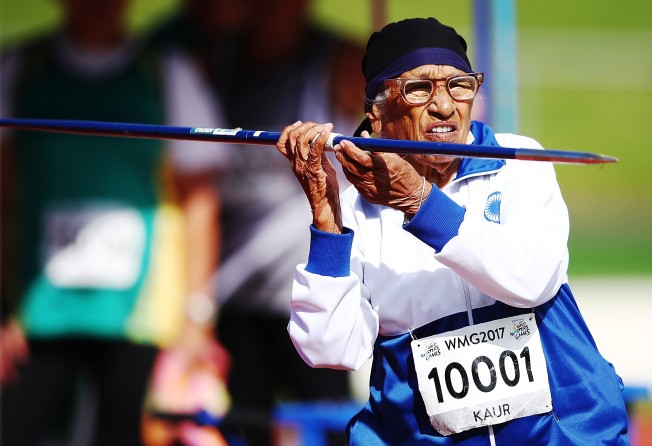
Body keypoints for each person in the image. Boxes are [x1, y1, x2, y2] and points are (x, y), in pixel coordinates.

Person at [274, 17, 630, 445]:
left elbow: (532, 280)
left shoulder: (519, 161)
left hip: (563, 433)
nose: (445, 106)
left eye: (460, 85)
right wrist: (326, 218)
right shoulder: (350, 207)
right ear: (377, 110)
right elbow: (330, 349)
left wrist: (420, 203)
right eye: (420, 89)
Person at [0, 0, 229, 444]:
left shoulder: (165, 74)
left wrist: (197, 316)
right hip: (38, 314)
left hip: (142, 314)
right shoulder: (20, 68)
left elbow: (200, 200)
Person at [147, 0, 366, 444]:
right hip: (233, 294)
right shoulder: (209, 60)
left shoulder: (339, 61)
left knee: (331, 425)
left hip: (312, 287)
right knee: (243, 426)